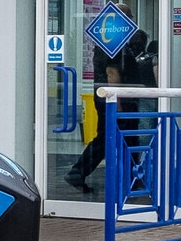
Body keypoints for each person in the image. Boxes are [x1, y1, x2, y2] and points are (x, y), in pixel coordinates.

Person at [66, 27, 157, 193]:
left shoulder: (108, 44)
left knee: (106, 139)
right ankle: (131, 181)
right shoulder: (114, 45)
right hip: (117, 101)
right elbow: (112, 73)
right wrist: (118, 102)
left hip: (109, 99)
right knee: (127, 140)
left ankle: (79, 172)